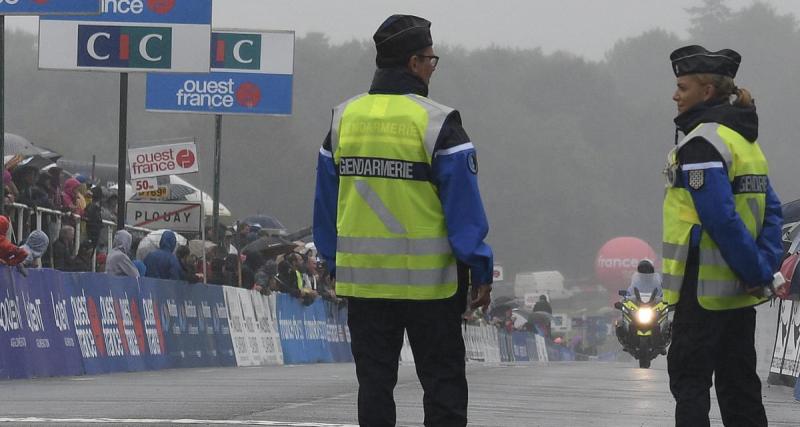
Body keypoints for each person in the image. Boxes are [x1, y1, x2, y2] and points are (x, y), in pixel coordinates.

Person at [313, 15, 493, 426]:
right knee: (443, 385)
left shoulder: (342, 120)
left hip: (366, 285)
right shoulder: (437, 123)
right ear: (414, 63)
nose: (433, 67)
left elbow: (325, 206)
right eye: (431, 59)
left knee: (374, 386)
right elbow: (463, 211)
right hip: (431, 286)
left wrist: (333, 261)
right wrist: (480, 265)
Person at [662, 45, 782, 427]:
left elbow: (721, 219)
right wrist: (763, 268)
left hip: (702, 290)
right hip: (739, 294)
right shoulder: (745, 141)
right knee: (741, 387)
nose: (675, 95)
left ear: (707, 92)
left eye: (682, 87)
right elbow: (772, 210)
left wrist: (753, 271)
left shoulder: (703, 143)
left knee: (690, 382)